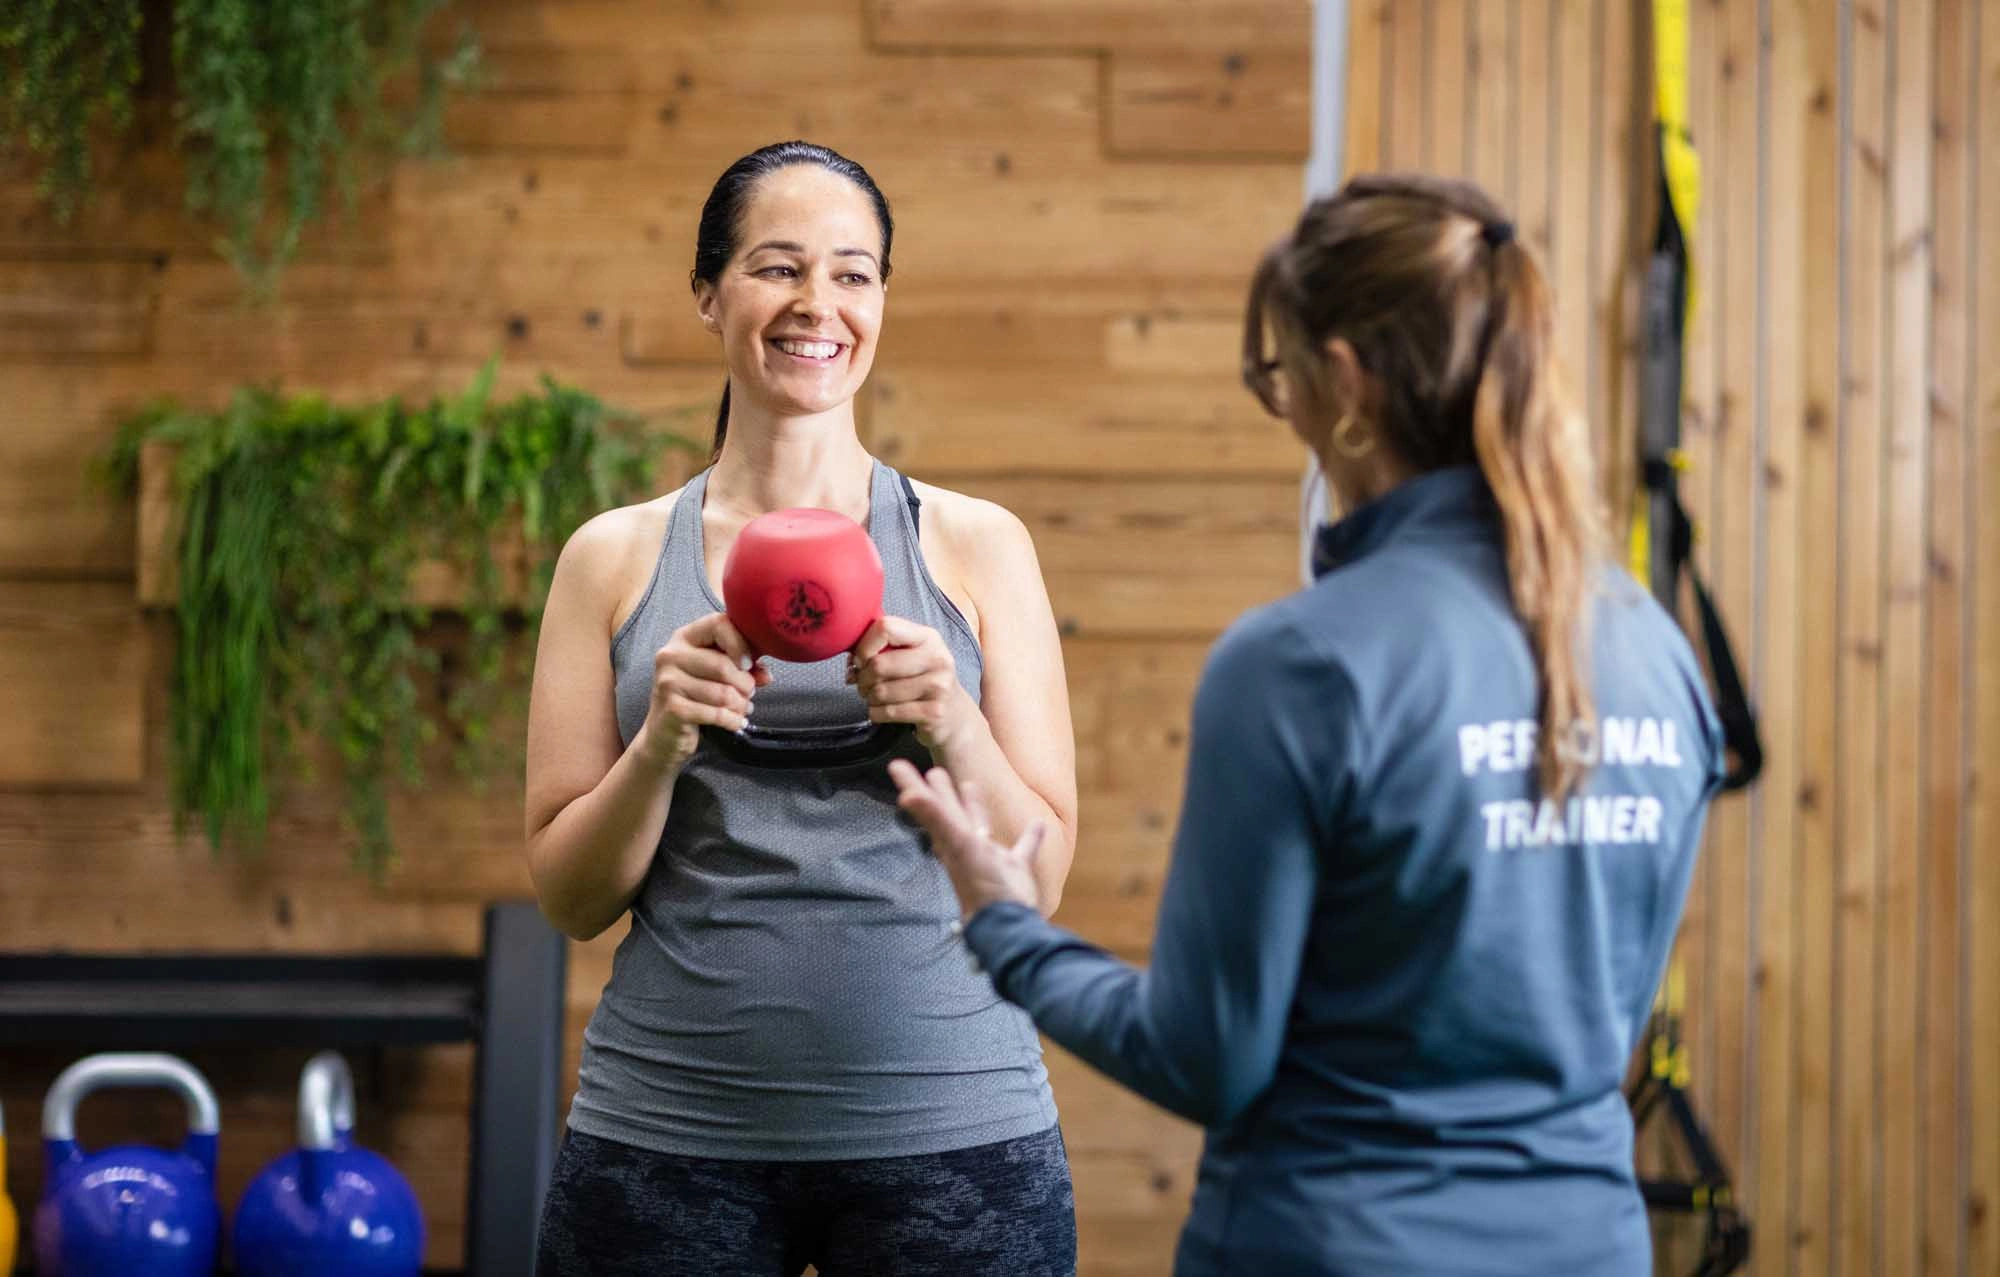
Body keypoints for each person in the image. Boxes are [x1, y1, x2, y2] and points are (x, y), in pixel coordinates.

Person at [890, 173, 1726, 1277]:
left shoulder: (1297, 664)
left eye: (1273, 370)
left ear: (1342, 380)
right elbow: (1600, 1019)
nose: (1276, 401)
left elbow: (1203, 1059)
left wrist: (1005, 924)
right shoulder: (1656, 652)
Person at [525, 140, 1080, 1276]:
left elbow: (1038, 877)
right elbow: (571, 897)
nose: (815, 305)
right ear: (708, 293)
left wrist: (951, 721)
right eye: (777, 267)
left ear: (879, 299)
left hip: (954, 1134)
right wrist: (660, 746)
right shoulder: (614, 557)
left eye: (852, 273)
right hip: (667, 1137)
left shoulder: (975, 546)